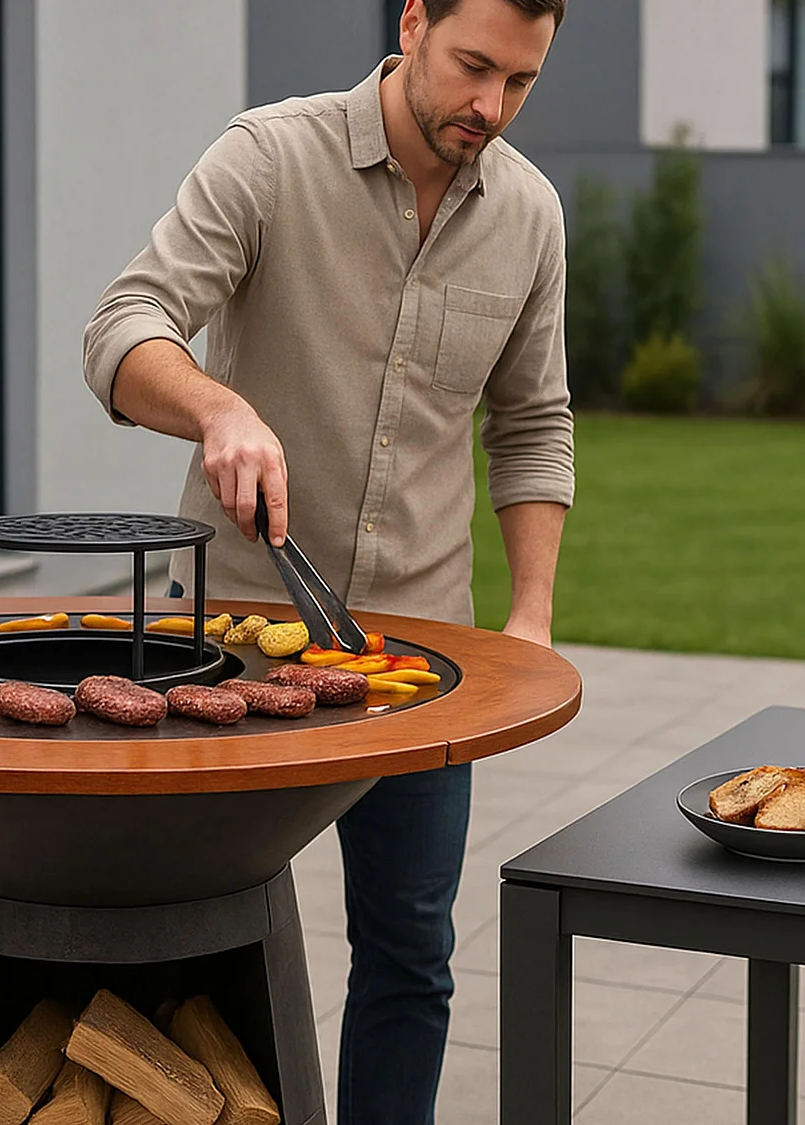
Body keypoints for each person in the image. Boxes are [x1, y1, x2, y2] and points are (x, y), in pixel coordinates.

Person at [82, 0, 572, 1119]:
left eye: (521, 82)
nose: (490, 106)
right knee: (199, 939)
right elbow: (122, 326)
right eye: (473, 66)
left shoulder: (531, 213)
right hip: (230, 641)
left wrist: (531, 617)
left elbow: (533, 423)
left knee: (411, 953)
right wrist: (217, 408)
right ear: (413, 22)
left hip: (417, 657)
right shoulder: (269, 158)